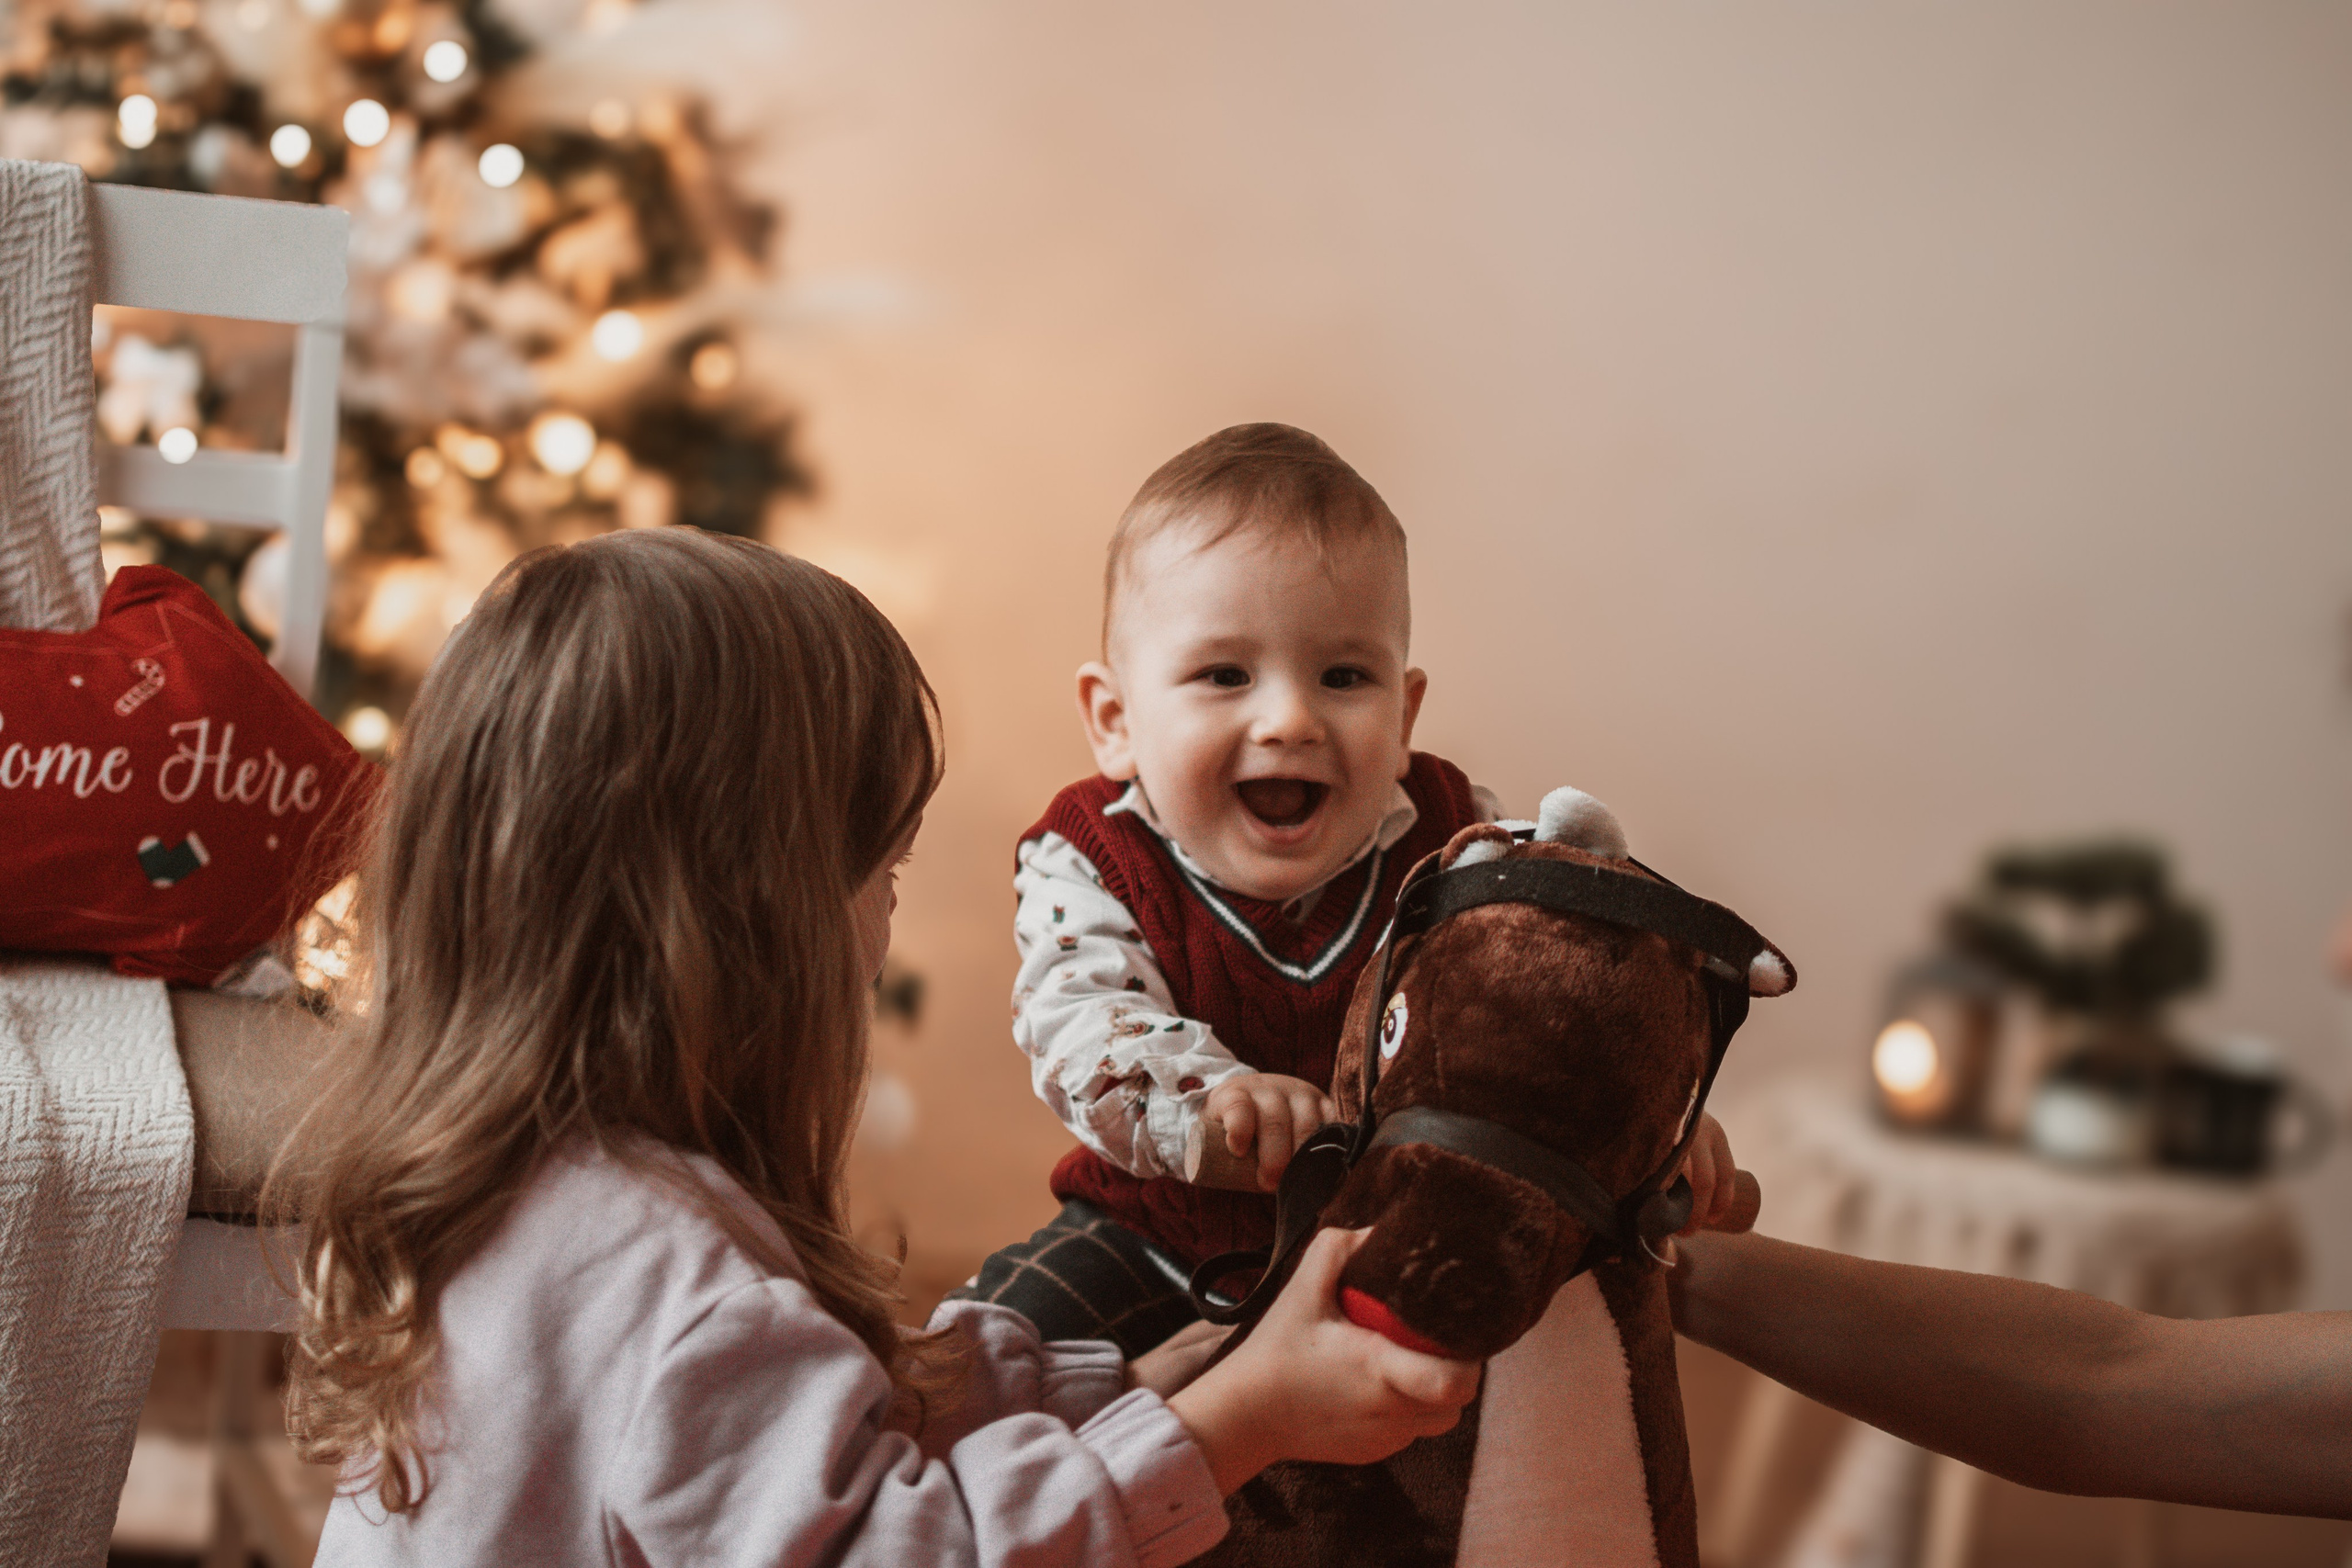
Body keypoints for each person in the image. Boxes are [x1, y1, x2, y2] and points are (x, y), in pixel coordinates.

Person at [269, 529, 1482, 1565]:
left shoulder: (547, 1192)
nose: (886, 920)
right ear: (747, 912)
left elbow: (822, 1415)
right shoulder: (666, 1283)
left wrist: (1138, 1383)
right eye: (882, 870)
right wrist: (1237, 1423)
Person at [954, 423, 1509, 1354]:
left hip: (1382, 1240)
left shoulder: (1457, 839)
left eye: (1342, 675)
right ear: (1116, 719)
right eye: (1224, 675)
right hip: (1152, 1236)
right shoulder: (1089, 857)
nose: (1289, 717)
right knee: (984, 1365)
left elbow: (1542, 997)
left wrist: (1637, 1127)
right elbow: (1083, 1024)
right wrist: (1216, 1104)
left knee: (1541, 1329)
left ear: (1404, 713)